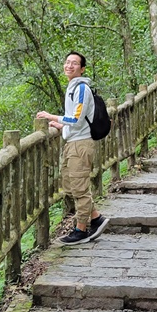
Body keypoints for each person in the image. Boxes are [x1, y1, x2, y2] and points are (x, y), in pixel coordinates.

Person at [36, 52, 110, 246]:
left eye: (74, 63)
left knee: (79, 188)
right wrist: (62, 126)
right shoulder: (72, 87)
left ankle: (81, 230)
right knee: (70, 185)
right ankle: (96, 218)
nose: (69, 66)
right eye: (67, 62)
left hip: (80, 144)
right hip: (73, 142)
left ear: (82, 68)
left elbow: (76, 119)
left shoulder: (82, 88)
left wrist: (52, 117)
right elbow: (75, 119)